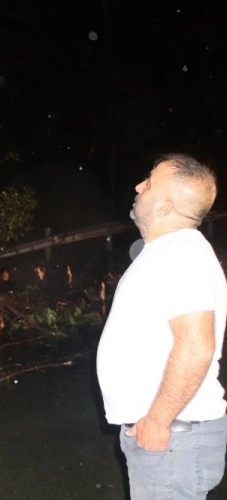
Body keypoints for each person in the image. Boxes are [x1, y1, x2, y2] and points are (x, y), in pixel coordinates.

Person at [96, 153, 227, 499]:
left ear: (166, 206)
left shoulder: (181, 253)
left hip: (173, 437)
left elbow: (196, 346)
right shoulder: (166, 252)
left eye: (150, 182)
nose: (139, 186)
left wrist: (157, 421)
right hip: (172, 437)